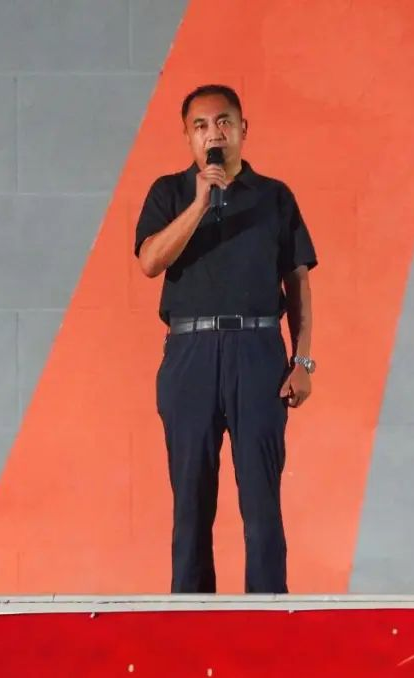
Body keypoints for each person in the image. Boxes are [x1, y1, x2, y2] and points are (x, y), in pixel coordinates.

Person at [134, 84, 318, 594]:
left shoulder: (274, 197)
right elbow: (150, 261)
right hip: (189, 354)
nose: (213, 133)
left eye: (223, 122)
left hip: (258, 354)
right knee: (191, 503)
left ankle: (269, 619)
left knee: (262, 504)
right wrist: (199, 203)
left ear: (242, 129)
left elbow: (298, 281)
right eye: (200, 126)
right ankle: (190, 620)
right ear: (187, 137)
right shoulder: (169, 193)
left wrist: (303, 360)